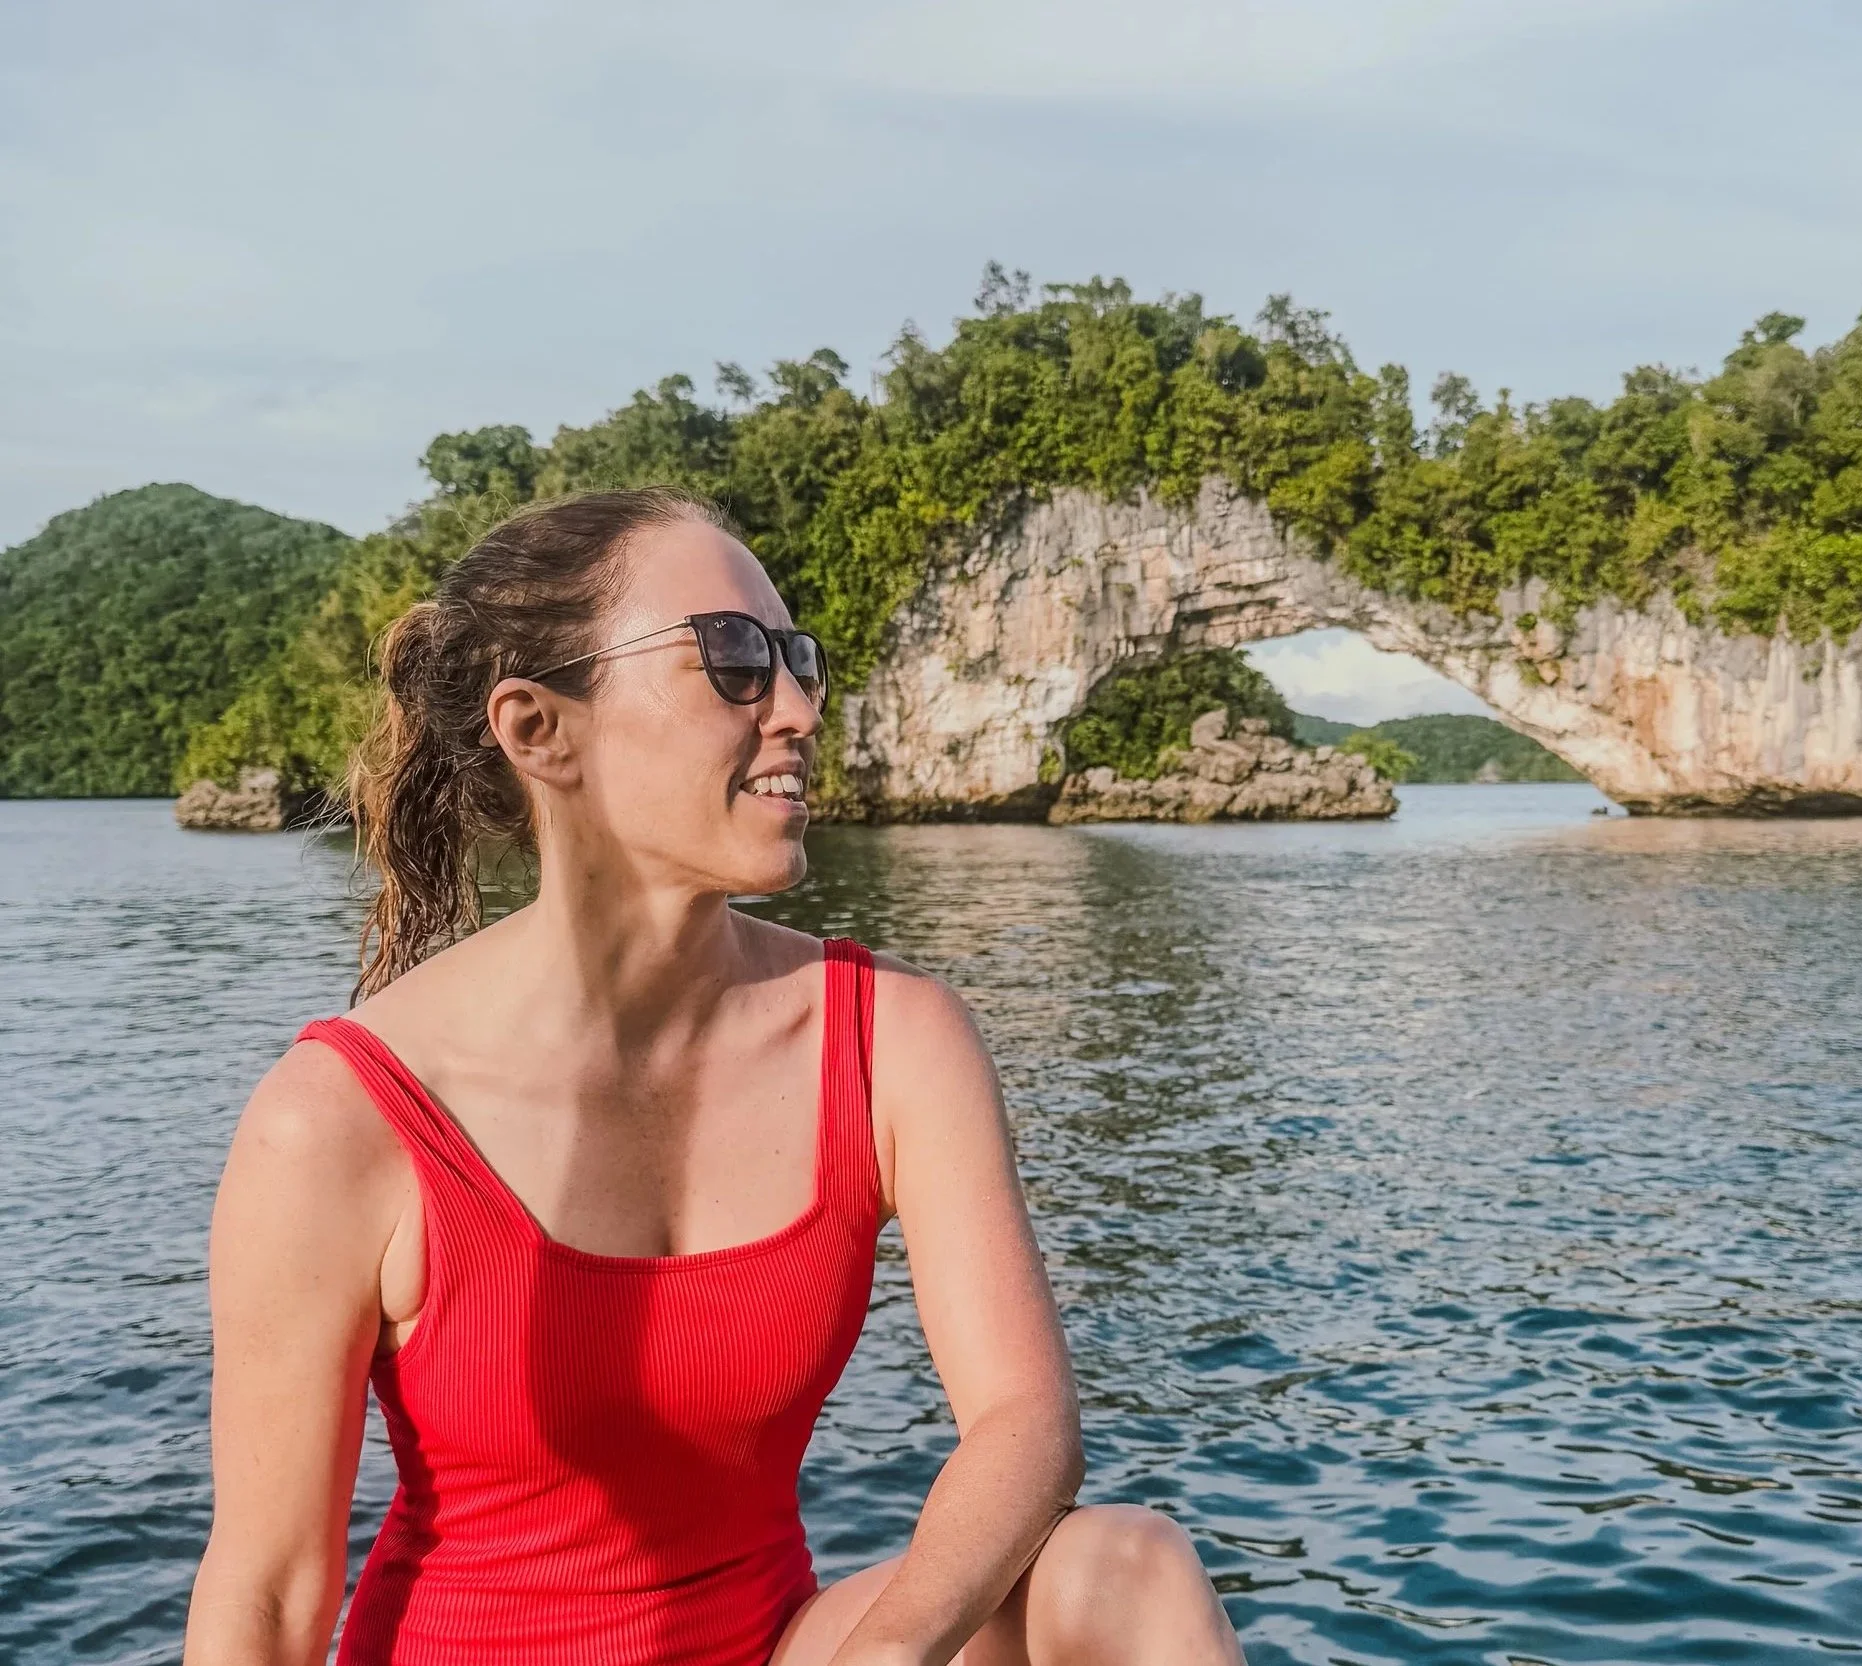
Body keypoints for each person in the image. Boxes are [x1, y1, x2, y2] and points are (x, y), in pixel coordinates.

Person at [182, 489, 1247, 1666]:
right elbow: (273, 1595)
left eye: (799, 661)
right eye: (732, 660)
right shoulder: (342, 1118)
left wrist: (890, 1651)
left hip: (781, 1647)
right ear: (540, 729)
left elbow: (1024, 1423)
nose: (794, 709)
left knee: (1125, 1571)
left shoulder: (892, 1036)